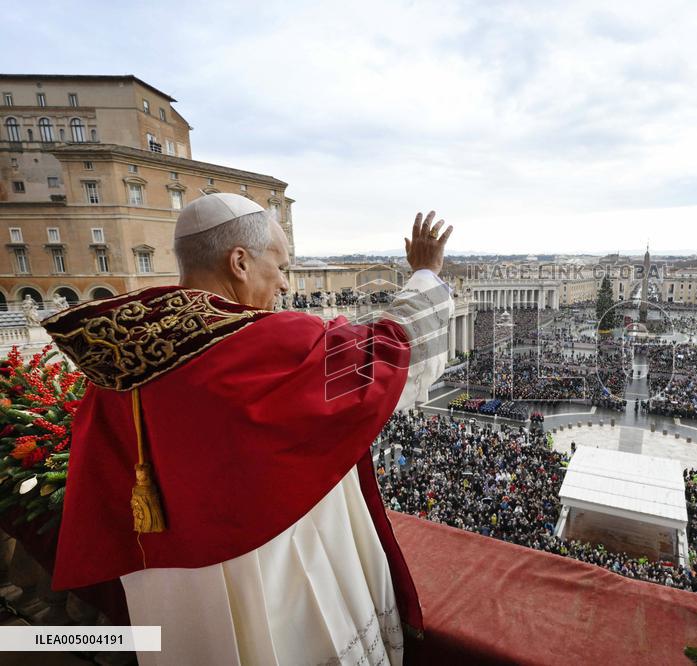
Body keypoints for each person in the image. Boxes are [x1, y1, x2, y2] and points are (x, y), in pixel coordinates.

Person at [42, 194, 455, 665]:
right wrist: (426, 273)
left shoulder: (119, 362)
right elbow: (392, 352)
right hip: (276, 572)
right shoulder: (265, 345)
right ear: (238, 262)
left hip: (171, 589)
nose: (283, 283)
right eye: (278, 266)